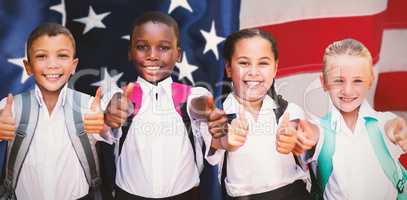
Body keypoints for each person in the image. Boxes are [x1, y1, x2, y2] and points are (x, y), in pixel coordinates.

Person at [102, 11, 225, 199]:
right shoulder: (117, 98)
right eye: (142, 47)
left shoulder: (194, 96)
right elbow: (101, 130)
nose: (152, 55)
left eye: (164, 48)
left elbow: (197, 106)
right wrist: (108, 118)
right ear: (130, 52)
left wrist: (210, 117)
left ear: (178, 54)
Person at [0, 23, 111, 200]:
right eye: (42, 56)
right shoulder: (10, 107)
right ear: (28, 67)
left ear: (74, 65)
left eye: (62, 56)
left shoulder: (90, 106)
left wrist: (106, 124)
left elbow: (111, 130)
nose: (52, 64)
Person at [206, 28, 317, 200]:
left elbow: (309, 153)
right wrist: (223, 141)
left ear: (275, 68)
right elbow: (211, 154)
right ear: (228, 68)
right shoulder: (217, 116)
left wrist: (298, 142)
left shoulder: (291, 111)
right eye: (244, 63)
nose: (253, 72)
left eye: (263, 63)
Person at [311, 38, 407, 200]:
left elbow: (394, 126)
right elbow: (306, 134)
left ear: (370, 80)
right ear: (324, 82)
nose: (348, 90)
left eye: (357, 80)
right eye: (339, 80)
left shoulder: (384, 123)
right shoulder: (318, 130)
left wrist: (399, 129)